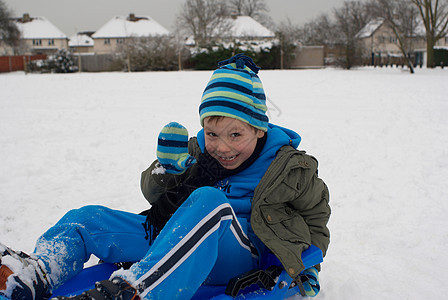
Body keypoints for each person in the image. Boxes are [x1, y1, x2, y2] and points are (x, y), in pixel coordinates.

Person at [0, 54, 330, 300]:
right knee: (86, 219)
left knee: (209, 200)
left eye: (235, 134)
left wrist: (309, 264)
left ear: (259, 129)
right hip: (178, 239)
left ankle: (136, 290)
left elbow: (315, 215)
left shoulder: (288, 166)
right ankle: (35, 274)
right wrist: (169, 172)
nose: (222, 146)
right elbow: (155, 197)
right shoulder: (196, 151)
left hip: (239, 253)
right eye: (212, 133)